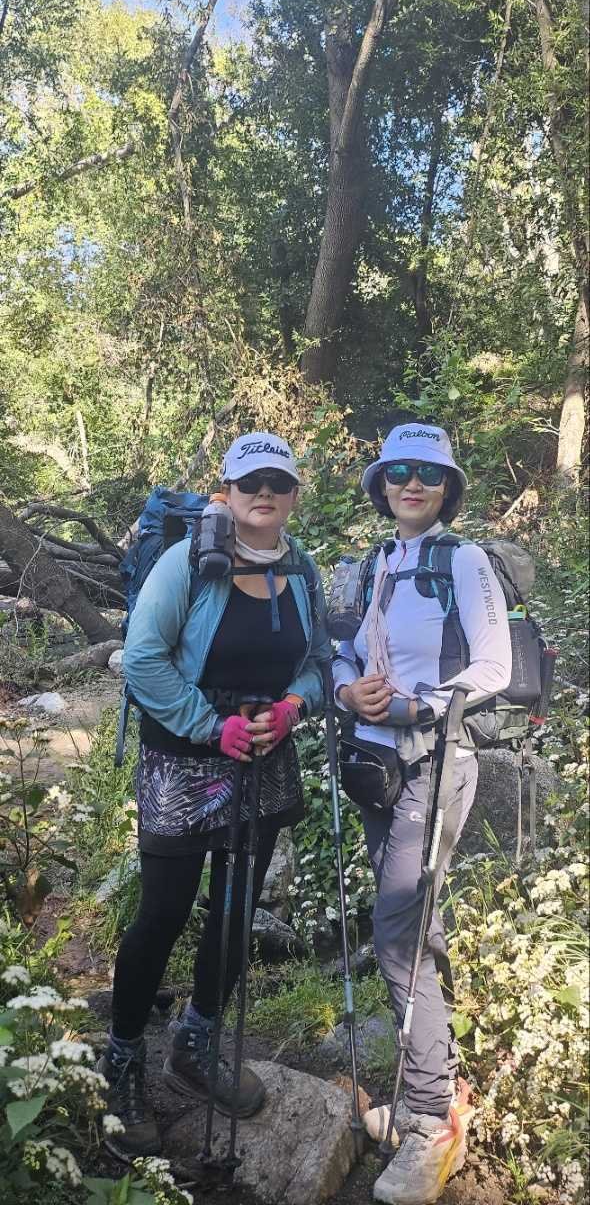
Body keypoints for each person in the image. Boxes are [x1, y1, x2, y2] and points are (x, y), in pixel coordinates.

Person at [99, 431, 329, 1160]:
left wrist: (294, 706)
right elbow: (142, 658)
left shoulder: (302, 569)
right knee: (162, 915)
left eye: (278, 482)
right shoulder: (187, 563)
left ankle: (194, 1043)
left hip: (263, 763)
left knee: (234, 916)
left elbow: (319, 660)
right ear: (225, 491)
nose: (264, 493)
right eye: (249, 481)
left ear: (294, 495)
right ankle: (122, 1061)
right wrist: (208, 725)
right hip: (183, 765)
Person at [332, 421, 512, 1205]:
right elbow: (343, 652)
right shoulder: (374, 561)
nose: (412, 483)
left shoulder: (463, 559)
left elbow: (495, 665)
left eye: (429, 473)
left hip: (436, 765)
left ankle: (432, 1118)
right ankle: (431, 1086)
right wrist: (349, 691)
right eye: (398, 471)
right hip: (376, 764)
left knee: (397, 932)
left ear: (448, 487)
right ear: (381, 484)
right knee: (417, 923)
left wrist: (417, 706)